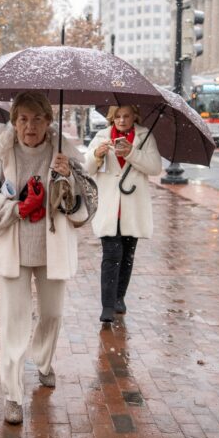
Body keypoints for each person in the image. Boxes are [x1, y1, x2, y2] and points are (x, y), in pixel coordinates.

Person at [0, 92, 97, 425]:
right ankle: (12, 394)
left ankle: (43, 360)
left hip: (51, 248)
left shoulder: (63, 153)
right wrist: (14, 208)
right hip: (15, 248)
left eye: (37, 118)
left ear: (48, 121)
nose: (30, 126)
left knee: (52, 314)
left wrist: (67, 178)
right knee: (14, 323)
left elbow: (86, 207)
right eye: (23, 119)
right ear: (13, 121)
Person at [85, 104, 162, 324]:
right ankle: (107, 306)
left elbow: (155, 167)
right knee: (111, 255)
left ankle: (119, 297)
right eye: (117, 116)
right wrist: (97, 155)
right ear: (111, 117)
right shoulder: (101, 136)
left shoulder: (144, 136)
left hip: (132, 205)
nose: (121, 120)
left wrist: (132, 153)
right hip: (109, 206)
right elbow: (85, 166)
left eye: (126, 116)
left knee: (127, 255)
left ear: (134, 117)